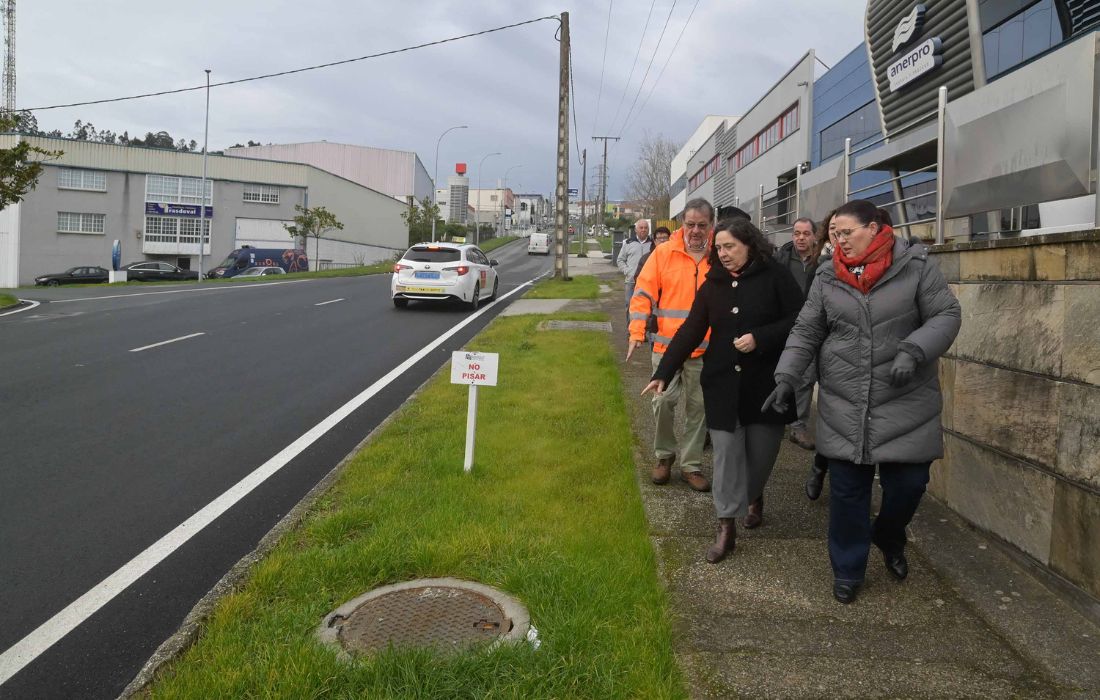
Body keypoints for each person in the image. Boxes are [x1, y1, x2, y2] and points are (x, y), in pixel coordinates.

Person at [764, 199, 961, 604]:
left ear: (875, 228)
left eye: (845, 232)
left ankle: (889, 535)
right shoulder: (827, 275)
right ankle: (848, 569)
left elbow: (946, 315)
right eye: (833, 234)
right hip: (844, 398)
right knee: (848, 490)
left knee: (909, 484)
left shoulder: (916, 266)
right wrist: (786, 376)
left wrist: (915, 349)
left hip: (905, 397)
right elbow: (806, 329)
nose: (837, 240)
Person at [642, 218, 802, 562]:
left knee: (760, 458)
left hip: (766, 385)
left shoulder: (775, 275)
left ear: (749, 244)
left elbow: (799, 319)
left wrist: (762, 337)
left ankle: (754, 494)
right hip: (722, 384)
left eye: (729, 247)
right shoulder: (713, 283)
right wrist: (664, 372)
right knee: (727, 457)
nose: (723, 253)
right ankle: (725, 526)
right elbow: (690, 330)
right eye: (719, 248)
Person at [627, 199, 715, 492]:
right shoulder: (664, 253)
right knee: (662, 402)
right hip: (666, 348)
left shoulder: (719, 254)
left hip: (705, 349)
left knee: (699, 407)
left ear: (710, 225)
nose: (695, 231)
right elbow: (642, 294)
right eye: (690, 224)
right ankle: (664, 456)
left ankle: (691, 465)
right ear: (682, 224)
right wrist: (636, 331)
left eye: (702, 225)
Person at [773, 217, 820, 451]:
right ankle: (775, 418)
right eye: (796, 233)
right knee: (779, 372)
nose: (801, 238)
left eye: (805, 233)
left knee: (805, 376)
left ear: (814, 236)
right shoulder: (780, 259)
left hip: (810, 326)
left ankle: (798, 425)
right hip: (783, 324)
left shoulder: (822, 262)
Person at [803, 210, 836, 501]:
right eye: (835, 230)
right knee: (832, 418)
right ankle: (820, 467)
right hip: (832, 355)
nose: (841, 236)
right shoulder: (822, 266)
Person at [635, 226, 671, 343]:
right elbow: (640, 280)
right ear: (654, 241)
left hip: (671, 307)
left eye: (665, 238)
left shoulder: (676, 258)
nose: (662, 241)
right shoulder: (646, 259)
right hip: (653, 306)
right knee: (654, 338)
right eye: (659, 238)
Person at [616, 219, 654, 308]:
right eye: (641, 228)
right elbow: (620, 260)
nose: (643, 230)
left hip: (648, 282)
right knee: (629, 305)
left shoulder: (652, 244)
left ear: (648, 230)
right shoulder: (628, 243)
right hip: (631, 282)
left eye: (645, 228)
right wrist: (628, 272)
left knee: (647, 307)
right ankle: (630, 322)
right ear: (636, 230)